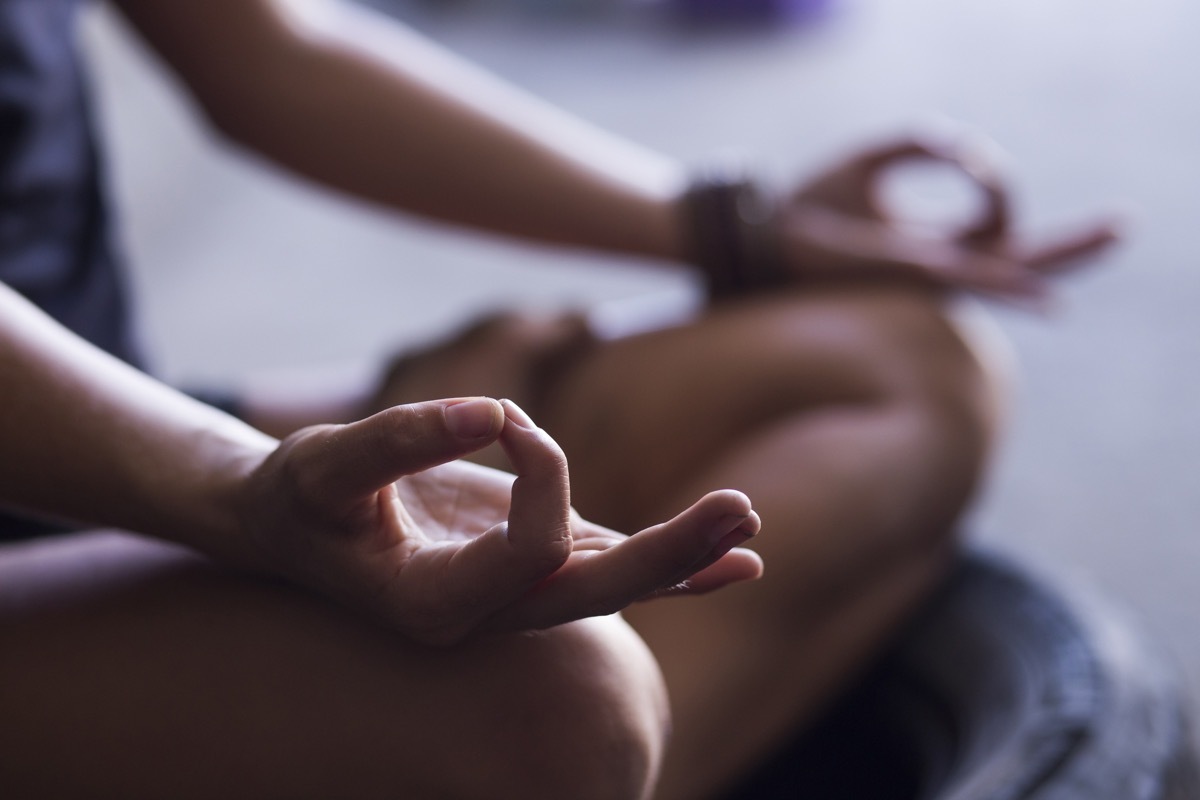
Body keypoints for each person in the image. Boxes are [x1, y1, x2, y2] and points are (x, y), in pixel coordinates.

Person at [0, 0, 1119, 796]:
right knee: (559, 694)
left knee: (896, 362)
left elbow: (275, 49)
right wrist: (235, 486)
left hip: (106, 412)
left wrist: (742, 231)